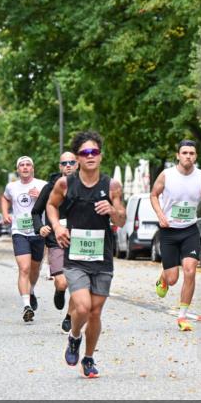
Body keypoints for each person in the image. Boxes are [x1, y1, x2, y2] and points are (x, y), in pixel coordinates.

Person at [47, 131, 126, 379]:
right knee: (81, 307)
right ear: (78, 158)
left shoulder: (111, 185)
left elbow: (122, 219)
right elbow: (51, 205)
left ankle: (89, 358)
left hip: (102, 257)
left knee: (95, 312)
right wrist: (58, 226)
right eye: (84, 153)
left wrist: (112, 210)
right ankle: (74, 337)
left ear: (100, 156)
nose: (90, 156)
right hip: (76, 255)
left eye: (94, 152)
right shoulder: (65, 184)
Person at [151, 139, 201, 331]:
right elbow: (153, 195)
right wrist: (161, 215)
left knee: (190, 270)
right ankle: (163, 276)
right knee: (172, 279)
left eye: (192, 153)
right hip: (169, 230)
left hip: (189, 230)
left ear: (196, 156)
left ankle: (182, 316)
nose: (188, 156)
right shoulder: (167, 175)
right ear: (178, 155)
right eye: (184, 153)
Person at [33, 151, 78, 332]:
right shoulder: (51, 186)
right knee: (62, 282)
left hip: (80, 240)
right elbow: (36, 211)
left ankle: (69, 315)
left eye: (71, 162)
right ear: (60, 167)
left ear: (78, 164)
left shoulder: (87, 185)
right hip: (55, 239)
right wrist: (39, 227)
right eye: (64, 163)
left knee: (77, 283)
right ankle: (59, 291)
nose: (68, 165)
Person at [2, 156, 48, 322]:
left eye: (28, 164)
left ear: (33, 168)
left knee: (35, 269)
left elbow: (53, 203)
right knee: (24, 268)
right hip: (19, 231)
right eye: (22, 165)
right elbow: (5, 198)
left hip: (38, 231)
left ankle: (32, 289)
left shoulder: (42, 185)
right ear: (18, 169)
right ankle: (26, 305)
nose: (25, 167)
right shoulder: (12, 186)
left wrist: (42, 196)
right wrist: (6, 213)